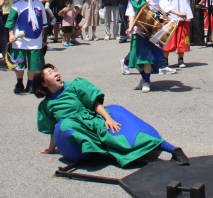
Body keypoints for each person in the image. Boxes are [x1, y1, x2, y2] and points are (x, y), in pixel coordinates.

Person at [34, 64, 190, 166]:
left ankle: (174, 150)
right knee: (65, 125)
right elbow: (54, 129)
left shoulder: (74, 85)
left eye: (55, 70)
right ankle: (100, 152)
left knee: (122, 122)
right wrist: (51, 148)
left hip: (93, 120)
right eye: (50, 72)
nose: (56, 73)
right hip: (77, 131)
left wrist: (107, 118)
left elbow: (94, 104)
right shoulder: (46, 105)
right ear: (43, 83)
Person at [121, 0, 168, 92]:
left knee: (147, 56)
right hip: (137, 30)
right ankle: (143, 77)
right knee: (136, 57)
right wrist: (129, 27)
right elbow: (130, 12)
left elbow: (164, 5)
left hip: (150, 28)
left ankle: (147, 81)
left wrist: (177, 13)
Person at [3, 0, 49, 94]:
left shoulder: (39, 4)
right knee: (19, 64)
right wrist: (11, 34)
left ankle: (30, 84)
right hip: (19, 40)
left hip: (35, 40)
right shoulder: (17, 5)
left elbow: (44, 24)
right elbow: (10, 22)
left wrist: (43, 40)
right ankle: (19, 84)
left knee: (34, 64)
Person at [159, 0, 194, 68]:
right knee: (168, 38)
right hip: (170, 16)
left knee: (182, 37)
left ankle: (181, 59)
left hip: (183, 14)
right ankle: (165, 60)